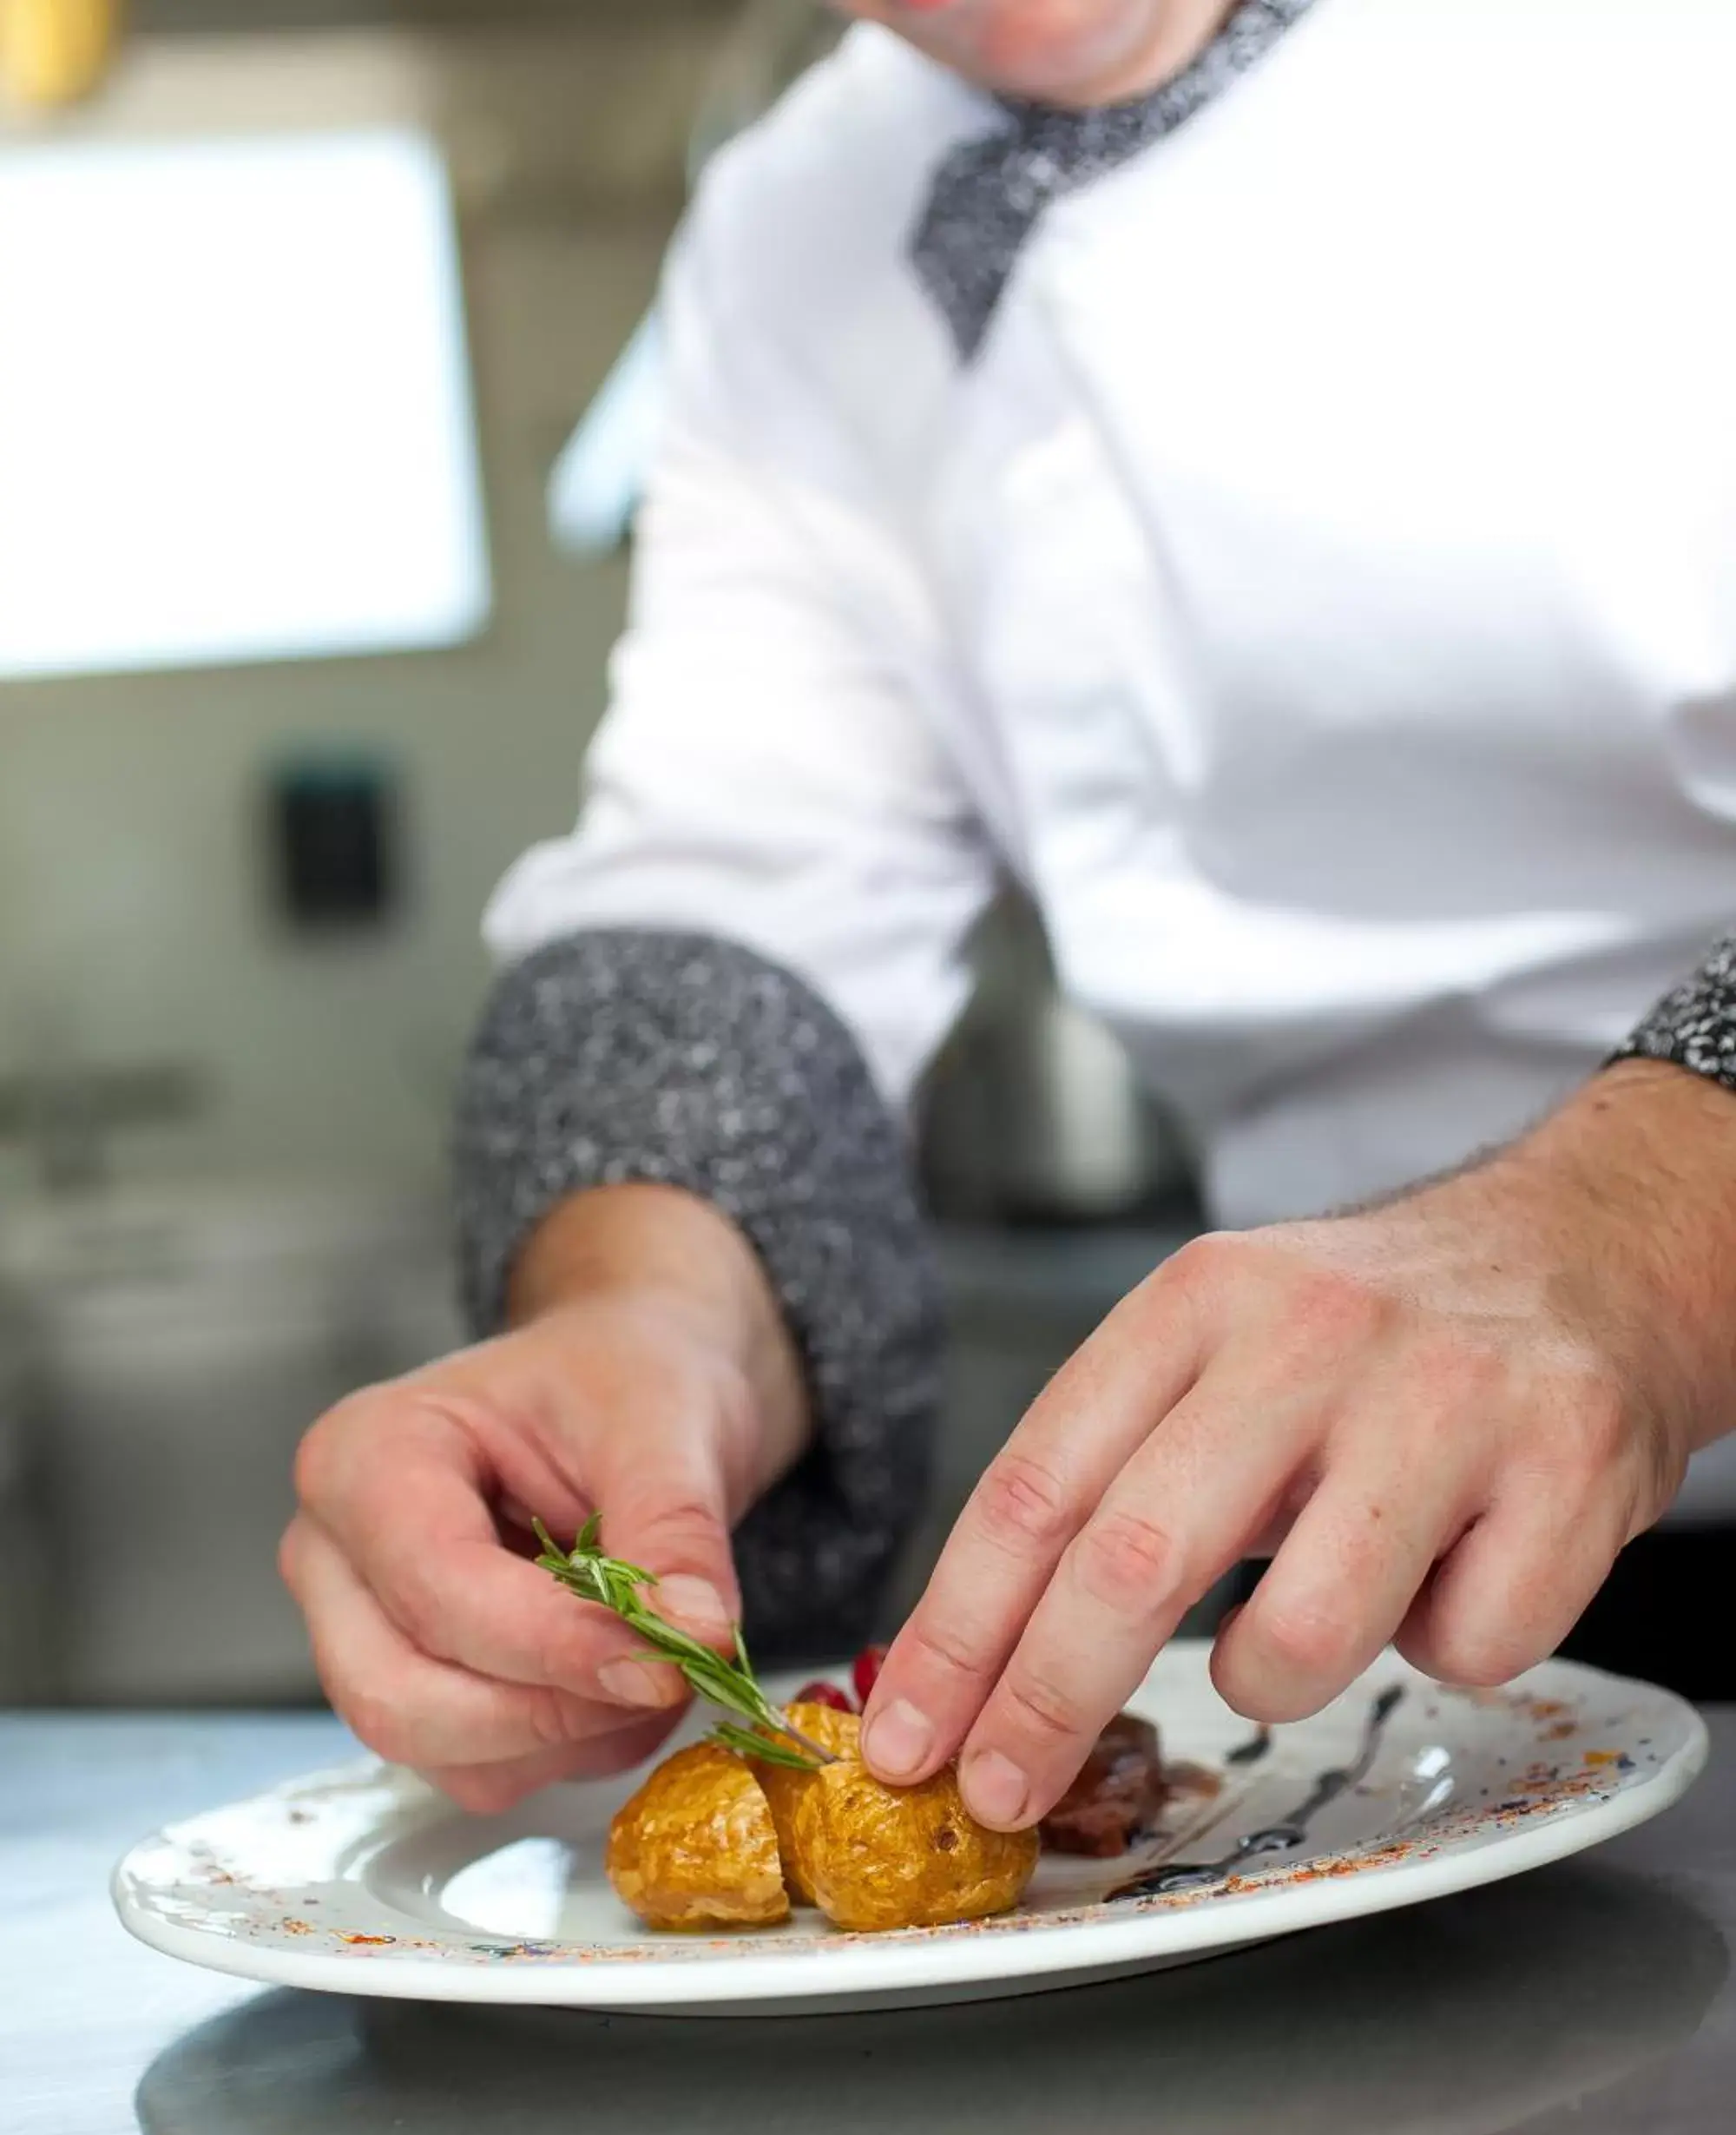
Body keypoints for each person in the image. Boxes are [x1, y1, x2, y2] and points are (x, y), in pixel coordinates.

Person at [281, 0, 1736, 1829]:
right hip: (1360, 1627)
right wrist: (649, 1333)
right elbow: (738, 912)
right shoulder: (794, 218)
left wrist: (1634, 1247)